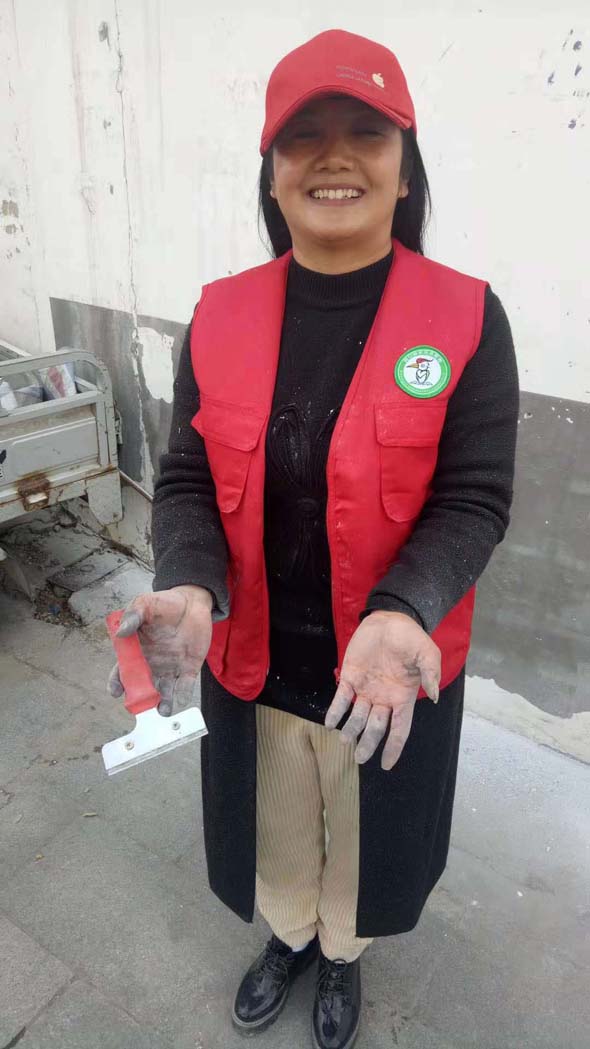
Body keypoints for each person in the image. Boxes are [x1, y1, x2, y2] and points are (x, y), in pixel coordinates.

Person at [107, 28, 519, 1049]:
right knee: (280, 833)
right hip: (255, 664)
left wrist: (404, 608)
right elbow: (187, 475)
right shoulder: (219, 316)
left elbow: (472, 498)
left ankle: (341, 953)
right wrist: (189, 581)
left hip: (385, 669)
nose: (335, 156)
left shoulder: (466, 317)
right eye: (304, 136)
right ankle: (289, 937)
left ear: (405, 168)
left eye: (365, 133)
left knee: (367, 844)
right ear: (272, 173)